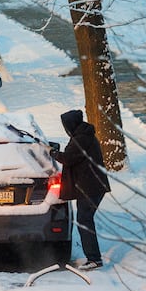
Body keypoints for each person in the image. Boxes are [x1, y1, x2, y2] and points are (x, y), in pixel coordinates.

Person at [50, 109, 111, 271]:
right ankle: (93, 257)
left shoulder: (81, 138)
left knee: (84, 221)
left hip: (90, 188)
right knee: (85, 220)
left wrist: (53, 153)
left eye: (66, 125)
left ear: (71, 124)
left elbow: (68, 158)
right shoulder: (84, 135)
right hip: (92, 186)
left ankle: (94, 259)